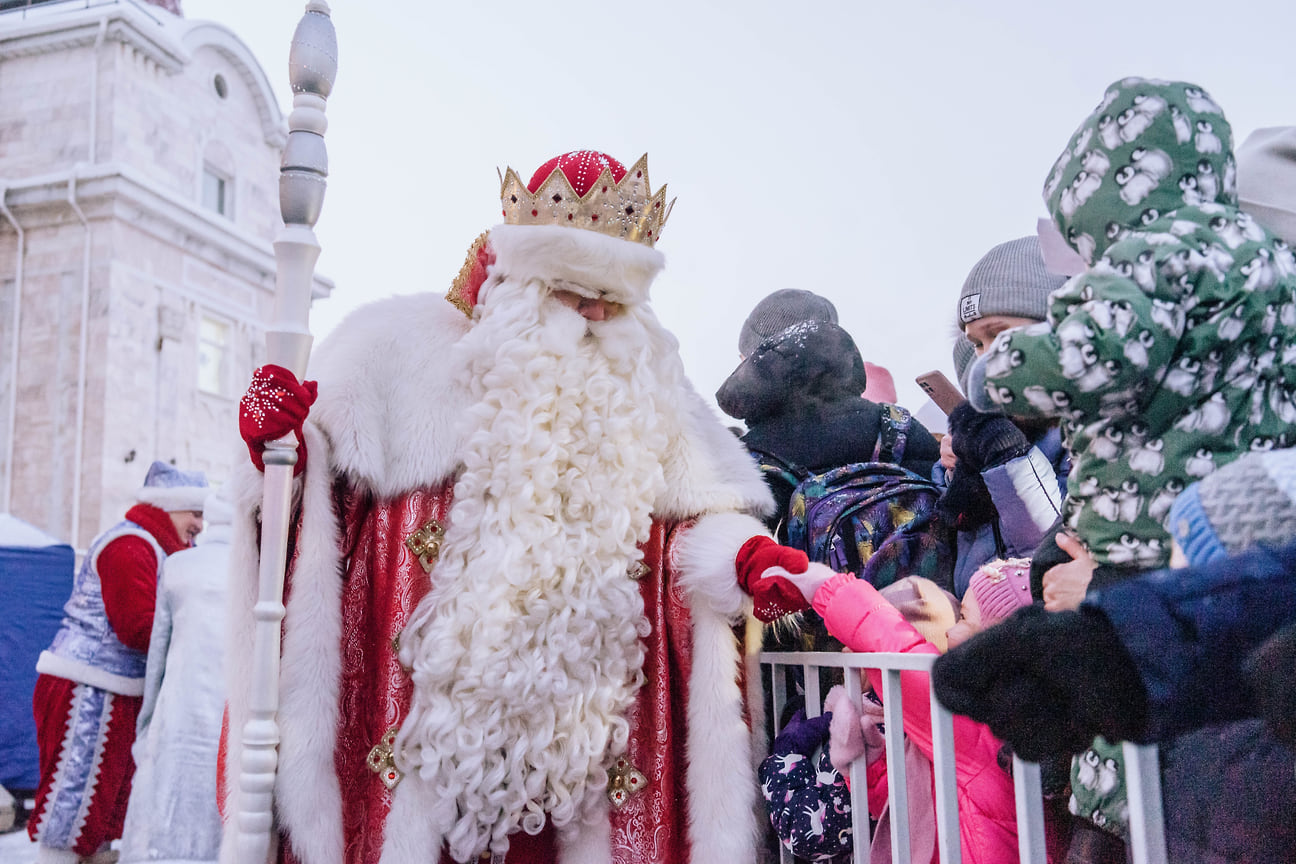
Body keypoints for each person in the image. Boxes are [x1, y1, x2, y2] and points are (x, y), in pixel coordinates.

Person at [223, 151, 777, 864]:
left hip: (587, 768)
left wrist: (740, 553)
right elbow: (299, 516)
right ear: (520, 285)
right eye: (577, 295)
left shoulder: (650, 393)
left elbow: (705, 515)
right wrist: (276, 448)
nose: (599, 316)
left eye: (616, 301)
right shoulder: (395, 352)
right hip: (419, 757)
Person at [962, 77, 1296, 580]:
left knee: (1002, 656)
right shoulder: (1266, 270)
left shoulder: (1154, 254)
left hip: (1142, 528)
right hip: (1230, 526)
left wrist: (998, 372)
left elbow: (1101, 350)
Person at [736, 538, 1063, 864]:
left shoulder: (977, 729)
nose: (950, 633)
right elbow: (923, 801)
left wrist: (817, 584)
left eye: (964, 618)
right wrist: (872, 767)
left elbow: (896, 647)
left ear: (999, 645)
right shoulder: (1036, 724)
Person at [28, 462, 207, 864]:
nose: (200, 523)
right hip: (86, 689)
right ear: (169, 506)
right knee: (72, 809)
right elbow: (138, 626)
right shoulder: (131, 545)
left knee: (104, 813)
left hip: (116, 689)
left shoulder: (162, 548)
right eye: (194, 512)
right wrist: (198, 647)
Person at [941, 236, 1070, 597]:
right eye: (976, 344)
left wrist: (1008, 457)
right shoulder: (983, 431)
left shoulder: (1088, 432)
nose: (983, 360)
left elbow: (1052, 555)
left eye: (999, 336)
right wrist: (955, 469)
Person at [119, 489, 232, 864]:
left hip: (178, 715)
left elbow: (158, 659)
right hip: (233, 716)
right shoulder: (271, 569)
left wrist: (147, 725)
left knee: (166, 816)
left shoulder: (180, 566)